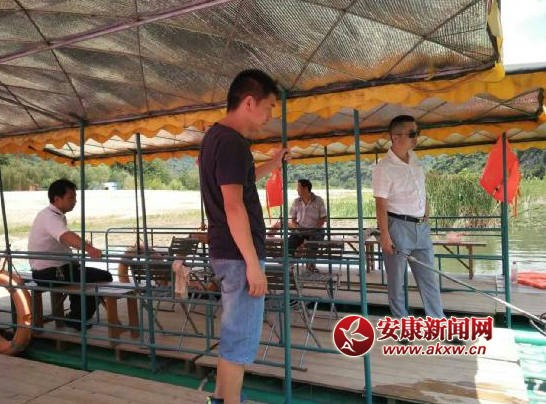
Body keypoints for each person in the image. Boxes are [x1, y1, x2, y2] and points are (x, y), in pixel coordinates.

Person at [199, 69, 290, 404]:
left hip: (226, 251)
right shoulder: (233, 143)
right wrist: (253, 263)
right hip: (239, 255)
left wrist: (274, 163)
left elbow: (245, 178)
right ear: (249, 102)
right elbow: (234, 206)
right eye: (268, 108)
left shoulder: (216, 137)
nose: (269, 117)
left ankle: (220, 399)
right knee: (239, 340)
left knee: (232, 334)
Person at [372, 115, 444, 321]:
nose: (416, 138)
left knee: (429, 278)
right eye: (412, 134)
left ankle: (438, 322)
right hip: (398, 226)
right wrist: (385, 235)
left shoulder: (414, 158)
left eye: (416, 133)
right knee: (396, 282)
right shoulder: (383, 167)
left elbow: (421, 187)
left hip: (421, 227)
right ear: (395, 137)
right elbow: (381, 204)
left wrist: (426, 209)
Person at [28, 179, 113, 330]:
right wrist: (90, 249)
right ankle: (77, 317)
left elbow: (60, 245)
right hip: (49, 273)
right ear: (57, 199)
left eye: (75, 197)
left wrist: (74, 259)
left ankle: (76, 315)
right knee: (102, 276)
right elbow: (65, 236)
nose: (75, 201)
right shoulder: (49, 217)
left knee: (82, 275)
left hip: (55, 269)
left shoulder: (53, 215)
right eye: (71, 197)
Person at [287, 179, 327, 258]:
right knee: (289, 244)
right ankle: (290, 261)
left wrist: (314, 229)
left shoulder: (319, 200)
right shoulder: (296, 201)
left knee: (313, 244)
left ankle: (310, 262)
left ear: (305, 188)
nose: (297, 189)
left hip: (316, 230)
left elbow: (323, 218)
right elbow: (293, 218)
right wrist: (296, 227)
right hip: (301, 230)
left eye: (298, 187)